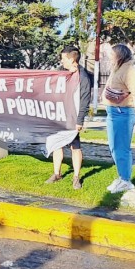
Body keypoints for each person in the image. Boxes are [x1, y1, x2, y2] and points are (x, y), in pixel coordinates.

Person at [45, 46, 92, 189]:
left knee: (75, 146)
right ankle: (56, 173)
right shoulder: (60, 73)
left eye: (64, 58)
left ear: (72, 59)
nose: (62, 61)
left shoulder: (82, 76)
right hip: (59, 114)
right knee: (57, 144)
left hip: (73, 116)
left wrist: (79, 120)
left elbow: (85, 100)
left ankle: (76, 177)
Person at [102, 44, 135, 194]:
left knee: (121, 148)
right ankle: (122, 176)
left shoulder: (130, 70)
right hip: (113, 111)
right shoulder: (117, 68)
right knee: (114, 147)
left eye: (112, 54)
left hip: (123, 112)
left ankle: (126, 180)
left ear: (119, 55)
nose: (109, 57)